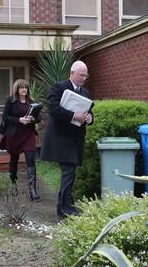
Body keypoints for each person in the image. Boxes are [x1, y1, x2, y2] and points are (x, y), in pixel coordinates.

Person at [40, 61, 93, 219]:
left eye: (86, 76)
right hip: (61, 139)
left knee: (70, 173)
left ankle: (66, 206)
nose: (83, 78)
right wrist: (73, 116)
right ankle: (65, 208)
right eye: (81, 75)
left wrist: (90, 118)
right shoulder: (59, 87)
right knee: (69, 172)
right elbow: (53, 109)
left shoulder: (85, 92)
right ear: (72, 73)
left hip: (75, 140)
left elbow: (88, 111)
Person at [0, 79, 42, 201]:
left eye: (25, 88)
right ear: (17, 89)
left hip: (28, 134)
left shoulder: (32, 102)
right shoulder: (11, 100)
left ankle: (32, 190)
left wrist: (32, 119)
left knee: (30, 160)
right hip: (14, 134)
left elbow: (38, 117)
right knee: (14, 160)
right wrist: (19, 120)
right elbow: (5, 117)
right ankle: (13, 184)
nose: (24, 90)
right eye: (21, 87)